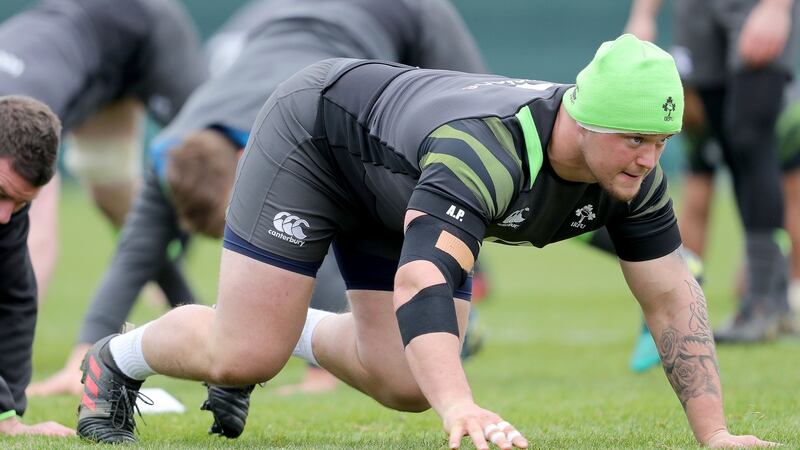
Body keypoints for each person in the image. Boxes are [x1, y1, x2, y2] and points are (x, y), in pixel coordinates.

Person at [76, 34, 775, 449]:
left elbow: (671, 295)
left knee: (409, 382)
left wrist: (712, 436)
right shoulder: (489, 153)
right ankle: (115, 360)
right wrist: (462, 407)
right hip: (317, 138)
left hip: (400, 181)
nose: (649, 159)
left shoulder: (630, 176)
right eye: (634, 139)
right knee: (242, 353)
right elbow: (422, 283)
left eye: (661, 143)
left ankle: (272, 332)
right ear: (585, 121)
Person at [36, 0, 486, 435]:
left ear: (241, 167)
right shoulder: (171, 159)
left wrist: (320, 373)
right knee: (394, 371)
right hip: (294, 37)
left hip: (407, 15)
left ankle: (465, 286)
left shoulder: (295, 139)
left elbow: (319, 248)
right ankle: (128, 356)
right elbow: (135, 254)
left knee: (477, 143)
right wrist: (86, 346)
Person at [0, 0, 207, 301]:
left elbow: (36, 243)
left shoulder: (17, 127)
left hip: (146, 31)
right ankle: (185, 304)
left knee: (209, 162)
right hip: (94, 64)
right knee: (111, 191)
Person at [625, 0, 797, 342]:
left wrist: (776, 7)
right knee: (723, 143)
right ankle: (764, 300)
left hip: (753, 7)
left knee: (750, 137)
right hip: (697, 13)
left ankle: (765, 300)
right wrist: (643, 13)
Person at [0, 95, 72, 437]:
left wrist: (11, 408)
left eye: (20, 202)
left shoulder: (10, 213)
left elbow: (16, 298)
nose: (4, 215)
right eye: (0, 193)